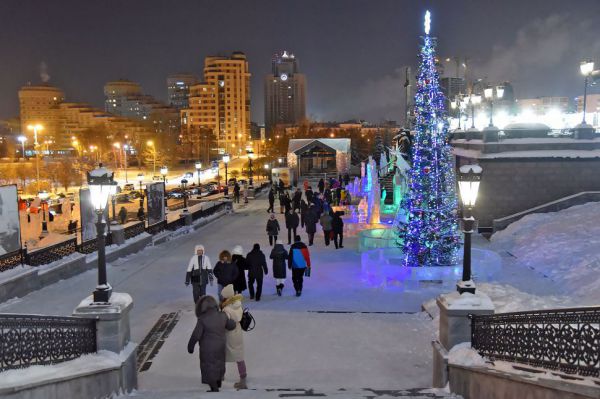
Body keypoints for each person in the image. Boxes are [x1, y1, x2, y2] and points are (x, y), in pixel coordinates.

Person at [188, 295, 236, 392]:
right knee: (219, 363)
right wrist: (233, 321)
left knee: (208, 365)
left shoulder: (202, 319)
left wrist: (190, 346)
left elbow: (196, 335)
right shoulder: (222, 315)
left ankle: (214, 388)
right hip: (220, 346)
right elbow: (231, 326)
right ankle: (218, 382)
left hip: (207, 348)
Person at [220, 284, 247, 389]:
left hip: (228, 335)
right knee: (239, 357)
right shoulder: (238, 304)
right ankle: (243, 379)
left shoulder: (226, 309)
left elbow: (224, 323)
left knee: (222, 355)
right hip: (238, 332)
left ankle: (221, 376)